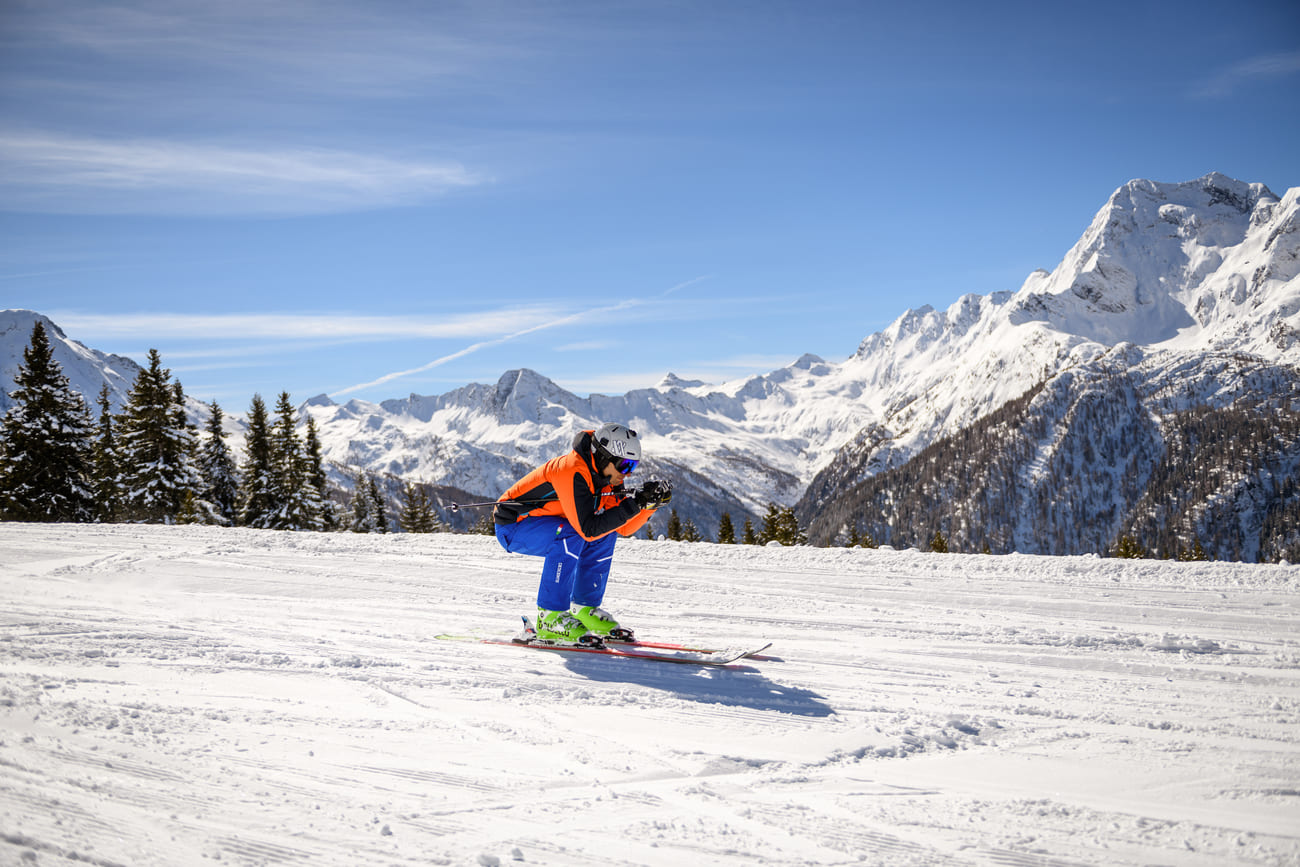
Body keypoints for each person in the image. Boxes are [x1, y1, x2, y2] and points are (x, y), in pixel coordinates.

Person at [493, 423, 672, 644]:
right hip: (515, 526)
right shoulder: (572, 470)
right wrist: (634, 504)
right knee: (572, 533)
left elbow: (623, 527)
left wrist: (648, 505)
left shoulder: (608, 475)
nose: (628, 473)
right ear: (604, 457)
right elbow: (587, 529)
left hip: (553, 523)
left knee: (606, 531)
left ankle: (584, 608)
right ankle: (549, 617)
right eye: (624, 465)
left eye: (632, 466)